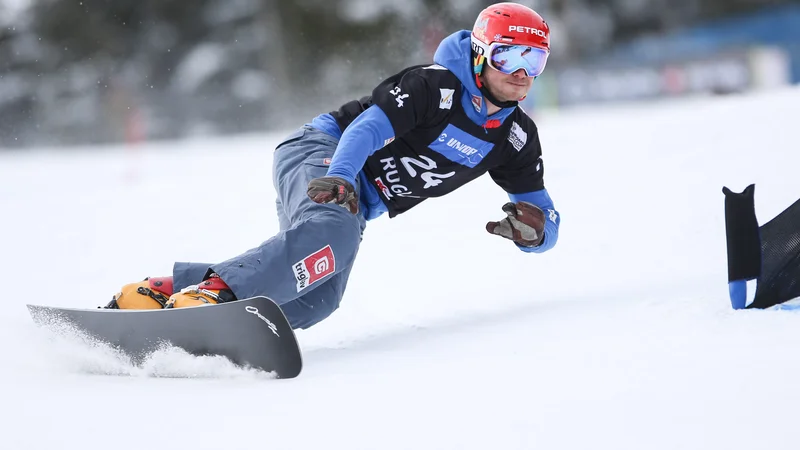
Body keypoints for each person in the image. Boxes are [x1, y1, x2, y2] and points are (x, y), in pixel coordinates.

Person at [106, 2, 562, 330]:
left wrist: (538, 234)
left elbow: (544, 213)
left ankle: (166, 293)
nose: (521, 72)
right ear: (481, 53)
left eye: (534, 59)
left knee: (317, 299)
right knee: (334, 233)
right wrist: (342, 176)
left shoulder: (514, 137)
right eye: (508, 55)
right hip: (322, 151)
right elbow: (365, 129)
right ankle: (215, 296)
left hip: (356, 197)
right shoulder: (436, 86)